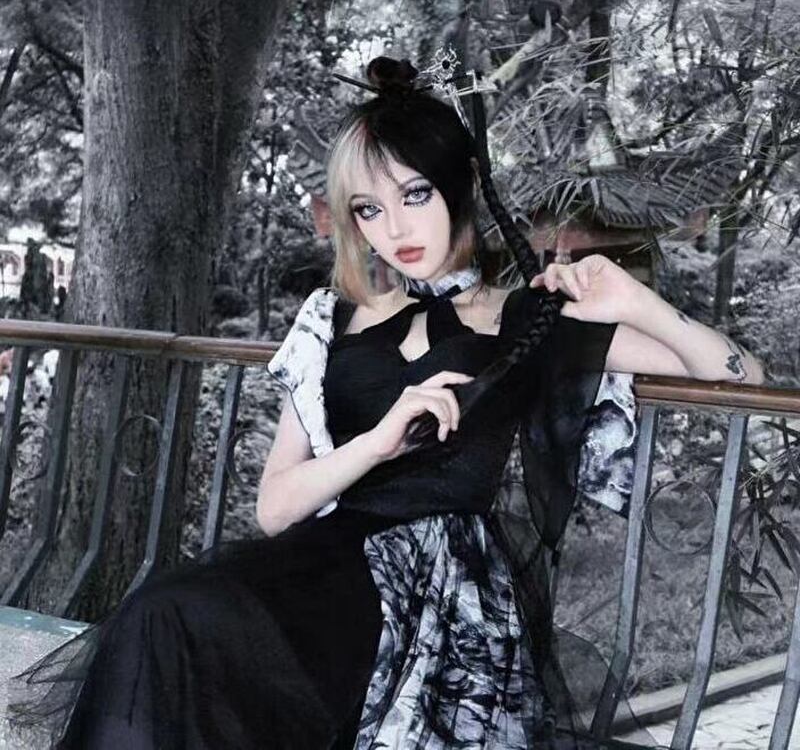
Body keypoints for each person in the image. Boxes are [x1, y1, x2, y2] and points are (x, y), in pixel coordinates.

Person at [7, 57, 764, 750]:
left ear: (461, 184)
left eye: (414, 195)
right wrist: (377, 440)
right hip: (325, 561)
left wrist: (636, 301)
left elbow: (742, 380)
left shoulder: (526, 320)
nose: (394, 228)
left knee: (183, 629)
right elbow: (275, 509)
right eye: (368, 209)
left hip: (442, 588)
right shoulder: (332, 317)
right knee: (163, 617)